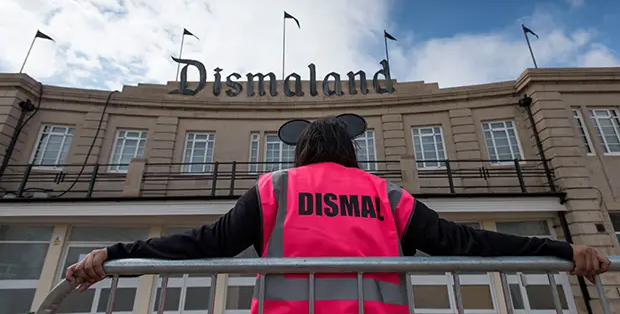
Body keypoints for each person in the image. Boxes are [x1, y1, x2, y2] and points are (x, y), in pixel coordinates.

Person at [67, 114, 611, 314]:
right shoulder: (385, 194)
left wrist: (116, 255)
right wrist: (560, 250)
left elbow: (202, 243)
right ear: (352, 154)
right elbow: (464, 242)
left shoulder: (275, 188)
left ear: (300, 153)